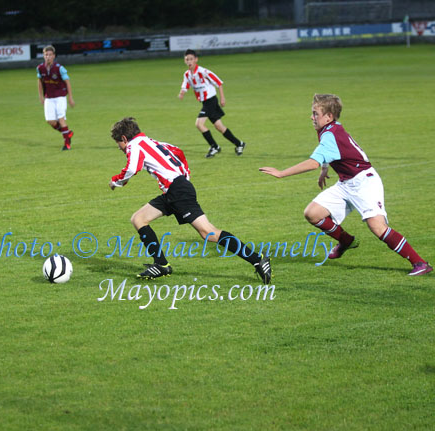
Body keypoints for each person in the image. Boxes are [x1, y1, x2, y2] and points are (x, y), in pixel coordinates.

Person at [259, 94, 432, 276]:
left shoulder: (330, 134)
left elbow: (313, 162)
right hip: (346, 183)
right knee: (312, 213)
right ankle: (346, 241)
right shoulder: (330, 130)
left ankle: (420, 263)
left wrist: (281, 173)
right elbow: (330, 154)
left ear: (329, 117)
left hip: (365, 183)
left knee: (377, 227)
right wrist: (325, 169)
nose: (312, 117)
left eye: (315, 113)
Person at [109, 117, 271, 283]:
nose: (121, 148)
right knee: (139, 219)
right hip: (175, 189)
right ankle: (161, 265)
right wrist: (183, 176)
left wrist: (116, 181)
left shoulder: (133, 145)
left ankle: (257, 260)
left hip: (178, 191)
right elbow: (177, 151)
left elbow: (131, 168)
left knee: (209, 233)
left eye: (118, 144)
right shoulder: (150, 141)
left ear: (124, 138)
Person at [178, 49, 245, 159]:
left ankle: (214, 146)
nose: (189, 61)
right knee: (219, 126)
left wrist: (222, 98)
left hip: (211, 101)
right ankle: (239, 144)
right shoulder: (187, 74)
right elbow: (185, 85)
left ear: (196, 59)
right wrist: (182, 92)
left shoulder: (203, 72)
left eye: (191, 59)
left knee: (199, 124)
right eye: (187, 60)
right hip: (205, 102)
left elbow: (219, 83)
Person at [37, 45, 75, 150]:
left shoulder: (59, 68)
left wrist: (70, 97)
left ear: (54, 56)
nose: (48, 57)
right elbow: (40, 82)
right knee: (50, 121)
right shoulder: (40, 68)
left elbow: (67, 82)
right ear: (43, 56)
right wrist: (41, 96)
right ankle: (68, 133)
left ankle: (67, 144)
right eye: (46, 55)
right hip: (48, 97)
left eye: (50, 55)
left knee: (61, 119)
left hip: (60, 97)